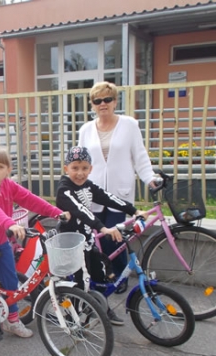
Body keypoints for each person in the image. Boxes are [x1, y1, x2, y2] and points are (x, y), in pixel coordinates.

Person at [0, 147, 70, 356]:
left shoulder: (8, 185)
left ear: (8, 170)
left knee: (11, 282)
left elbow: (30, 199)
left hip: (2, 241)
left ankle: (12, 320)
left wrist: (56, 212)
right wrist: (10, 223)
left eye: (0, 166)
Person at [78, 81, 156, 292]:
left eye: (107, 99)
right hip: (93, 193)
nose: (102, 104)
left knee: (117, 239)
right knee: (97, 240)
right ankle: (101, 277)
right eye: (97, 101)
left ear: (115, 102)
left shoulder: (129, 125)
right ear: (92, 105)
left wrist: (150, 178)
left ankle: (120, 278)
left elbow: (140, 156)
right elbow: (80, 161)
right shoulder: (85, 130)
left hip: (119, 193)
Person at [56, 146, 147, 325]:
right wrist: (103, 228)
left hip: (87, 239)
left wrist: (134, 210)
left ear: (90, 168)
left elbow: (107, 197)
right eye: (75, 168)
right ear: (66, 168)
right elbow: (81, 210)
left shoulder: (88, 185)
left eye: (84, 168)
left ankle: (99, 306)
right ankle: (74, 319)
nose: (80, 173)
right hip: (72, 243)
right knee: (82, 281)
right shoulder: (64, 189)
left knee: (100, 273)